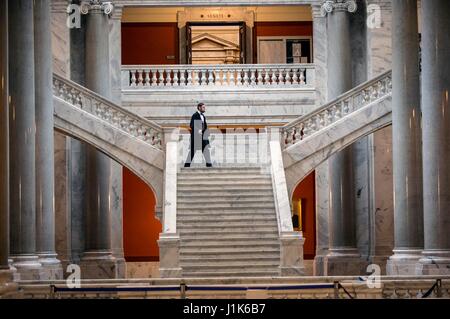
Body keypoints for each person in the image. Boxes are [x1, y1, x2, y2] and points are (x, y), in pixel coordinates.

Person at [184, 102, 213, 167]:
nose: (204, 108)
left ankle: (209, 164)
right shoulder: (195, 115)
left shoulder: (203, 116)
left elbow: (205, 126)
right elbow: (192, 125)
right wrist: (198, 130)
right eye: (203, 107)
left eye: (204, 107)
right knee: (192, 151)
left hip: (203, 136)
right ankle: (187, 165)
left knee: (206, 149)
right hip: (196, 136)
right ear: (199, 107)